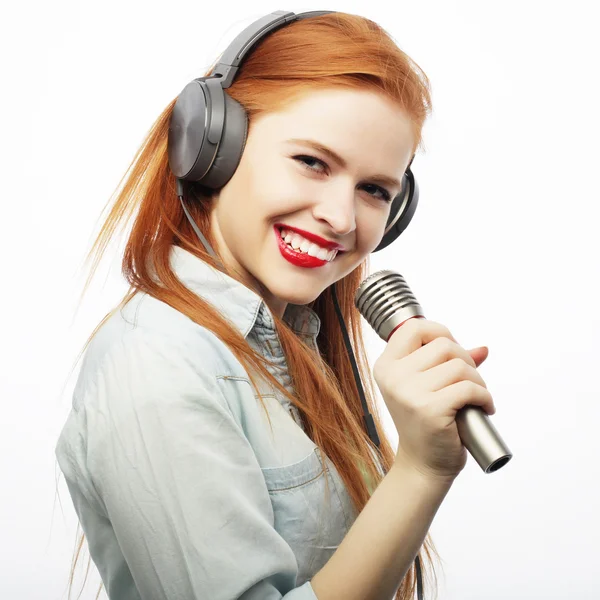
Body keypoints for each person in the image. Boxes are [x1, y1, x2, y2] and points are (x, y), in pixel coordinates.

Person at [55, 10, 494, 600]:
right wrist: (419, 471)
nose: (341, 219)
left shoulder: (291, 342)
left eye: (374, 190)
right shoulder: (158, 365)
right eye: (312, 162)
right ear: (211, 146)